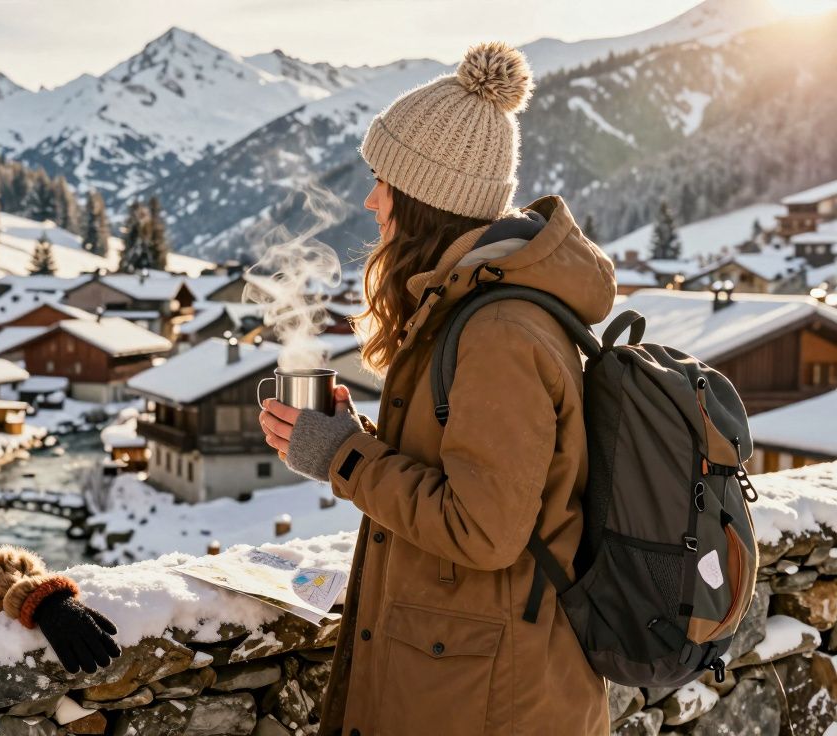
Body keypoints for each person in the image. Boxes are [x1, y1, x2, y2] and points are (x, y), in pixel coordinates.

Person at [259, 41, 614, 735]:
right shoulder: (471, 311)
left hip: (492, 699)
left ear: (426, 198)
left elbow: (482, 529)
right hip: (468, 679)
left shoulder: (498, 332)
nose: (370, 199)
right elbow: (473, 474)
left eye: (383, 181)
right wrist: (355, 440)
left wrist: (343, 457)